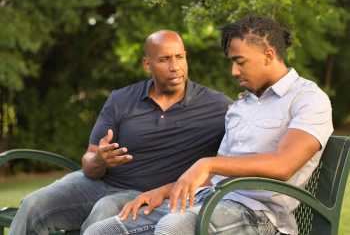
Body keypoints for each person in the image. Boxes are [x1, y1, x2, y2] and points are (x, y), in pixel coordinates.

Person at [82, 16, 333, 235]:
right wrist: (166, 190)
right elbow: (218, 176)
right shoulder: (242, 106)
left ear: (268, 55)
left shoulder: (308, 99)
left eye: (240, 61)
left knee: (172, 227)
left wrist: (207, 162)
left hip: (259, 216)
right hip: (209, 200)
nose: (234, 71)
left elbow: (283, 164)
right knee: (103, 230)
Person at [9, 30, 232, 235]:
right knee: (33, 205)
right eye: (164, 59)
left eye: (179, 57)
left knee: (103, 213)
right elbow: (89, 162)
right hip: (99, 183)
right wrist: (99, 159)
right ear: (147, 64)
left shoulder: (216, 106)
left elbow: (242, 145)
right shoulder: (121, 99)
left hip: (150, 195)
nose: (175, 66)